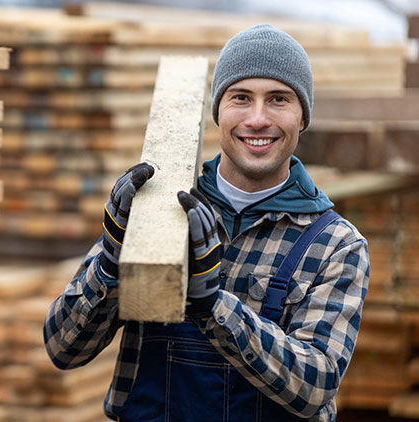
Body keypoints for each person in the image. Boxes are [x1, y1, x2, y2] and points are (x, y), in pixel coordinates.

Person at [43, 24, 369, 422]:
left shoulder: (336, 244)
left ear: (303, 117)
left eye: (279, 99)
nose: (257, 119)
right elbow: (63, 348)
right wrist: (111, 264)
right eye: (241, 98)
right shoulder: (160, 210)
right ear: (218, 111)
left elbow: (316, 384)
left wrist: (213, 305)